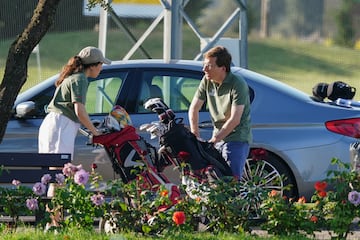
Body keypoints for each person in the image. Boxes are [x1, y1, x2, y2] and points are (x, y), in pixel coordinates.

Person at [188, 46, 252, 180]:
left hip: (236, 138)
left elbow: (235, 119)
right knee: (215, 180)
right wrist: (195, 134)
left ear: (223, 68)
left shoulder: (237, 83)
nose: (204, 69)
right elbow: (194, 108)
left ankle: (237, 200)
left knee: (231, 182)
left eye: (209, 66)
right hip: (217, 137)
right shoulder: (207, 81)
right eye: (204, 65)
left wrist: (214, 140)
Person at [38, 46, 112, 159]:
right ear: (92, 66)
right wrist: (95, 132)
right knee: (58, 169)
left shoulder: (74, 77)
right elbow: (80, 111)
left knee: (53, 170)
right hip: (61, 125)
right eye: (101, 64)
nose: (101, 68)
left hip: (56, 123)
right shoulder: (80, 79)